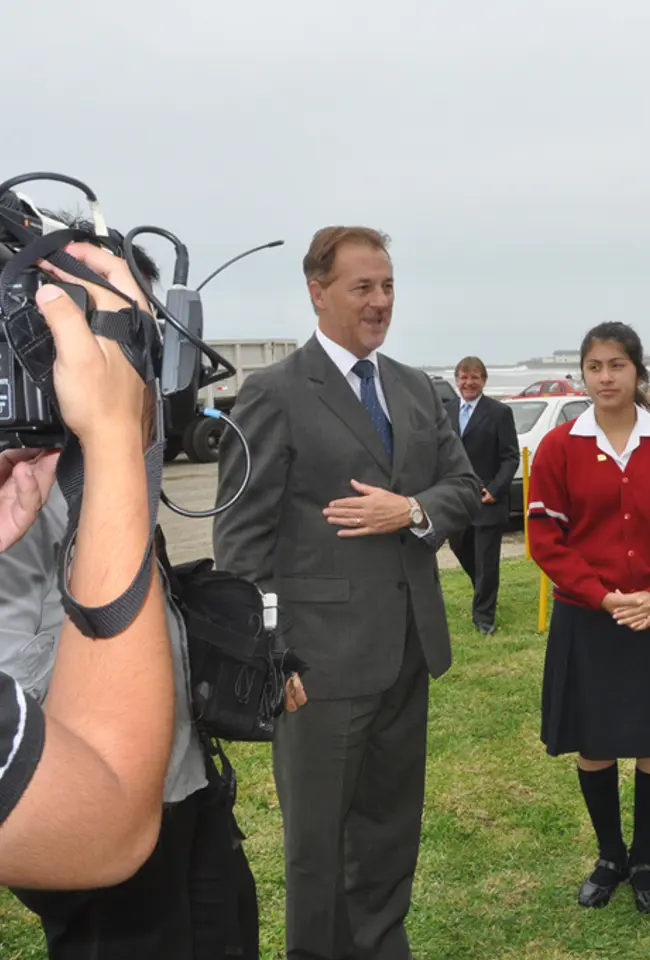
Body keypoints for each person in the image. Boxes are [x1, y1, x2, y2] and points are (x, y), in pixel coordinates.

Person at [212, 225, 480, 960]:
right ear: (317, 291)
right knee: (317, 846)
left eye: (388, 286)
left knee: (391, 833)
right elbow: (242, 543)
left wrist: (412, 510)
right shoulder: (274, 394)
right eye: (362, 287)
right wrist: (271, 652)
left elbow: (463, 487)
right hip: (317, 668)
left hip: (407, 654)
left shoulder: (416, 389)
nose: (379, 301)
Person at [3, 231, 267, 959]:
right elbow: (22, 683)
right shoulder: (21, 481)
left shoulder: (113, 458)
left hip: (186, 788)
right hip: (94, 805)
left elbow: (147, 605)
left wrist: (227, 655)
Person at [0, 244, 173, 891]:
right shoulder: (36, 470)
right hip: (71, 789)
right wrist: (110, 440)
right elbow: (103, 820)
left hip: (177, 781)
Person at [526, 321, 650, 915]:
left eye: (617, 365)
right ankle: (610, 856)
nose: (605, 377)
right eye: (594, 366)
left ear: (638, 372)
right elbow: (546, 540)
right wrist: (603, 597)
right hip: (589, 618)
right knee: (595, 743)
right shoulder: (560, 446)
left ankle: (646, 857)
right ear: (584, 374)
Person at [445, 356, 519, 634]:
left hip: (488, 499)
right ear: (457, 380)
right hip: (457, 499)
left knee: (487, 562)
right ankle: (483, 591)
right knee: (460, 549)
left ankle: (484, 619)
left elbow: (511, 457)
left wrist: (495, 489)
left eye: (474, 377)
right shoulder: (447, 411)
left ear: (484, 381)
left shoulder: (499, 412)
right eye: (464, 377)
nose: (469, 382)